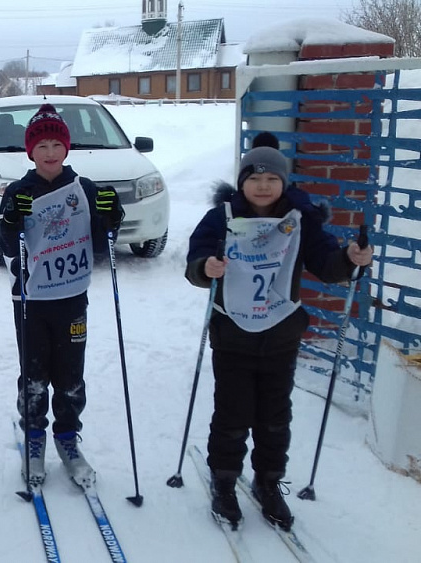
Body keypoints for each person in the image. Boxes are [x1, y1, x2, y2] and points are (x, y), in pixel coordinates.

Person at [184, 132, 372, 531]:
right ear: (242, 182)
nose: (263, 186)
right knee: (232, 414)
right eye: (254, 178)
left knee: (275, 417)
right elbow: (196, 258)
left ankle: (268, 482)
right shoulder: (222, 217)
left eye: (272, 179)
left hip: (281, 333)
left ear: (284, 182)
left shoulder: (300, 219)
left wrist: (349, 258)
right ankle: (224, 481)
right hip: (233, 334)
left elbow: (326, 262)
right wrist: (205, 267)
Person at [0, 104, 124, 486]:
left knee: (70, 377)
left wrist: (111, 216)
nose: (50, 152)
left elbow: (101, 243)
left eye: (56, 144)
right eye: (42, 146)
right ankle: (34, 438)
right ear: (30, 151)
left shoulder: (84, 189)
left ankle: (67, 438)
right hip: (31, 301)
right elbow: (6, 245)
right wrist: (11, 219)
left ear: (66, 148)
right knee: (34, 376)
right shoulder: (19, 191)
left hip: (71, 298)